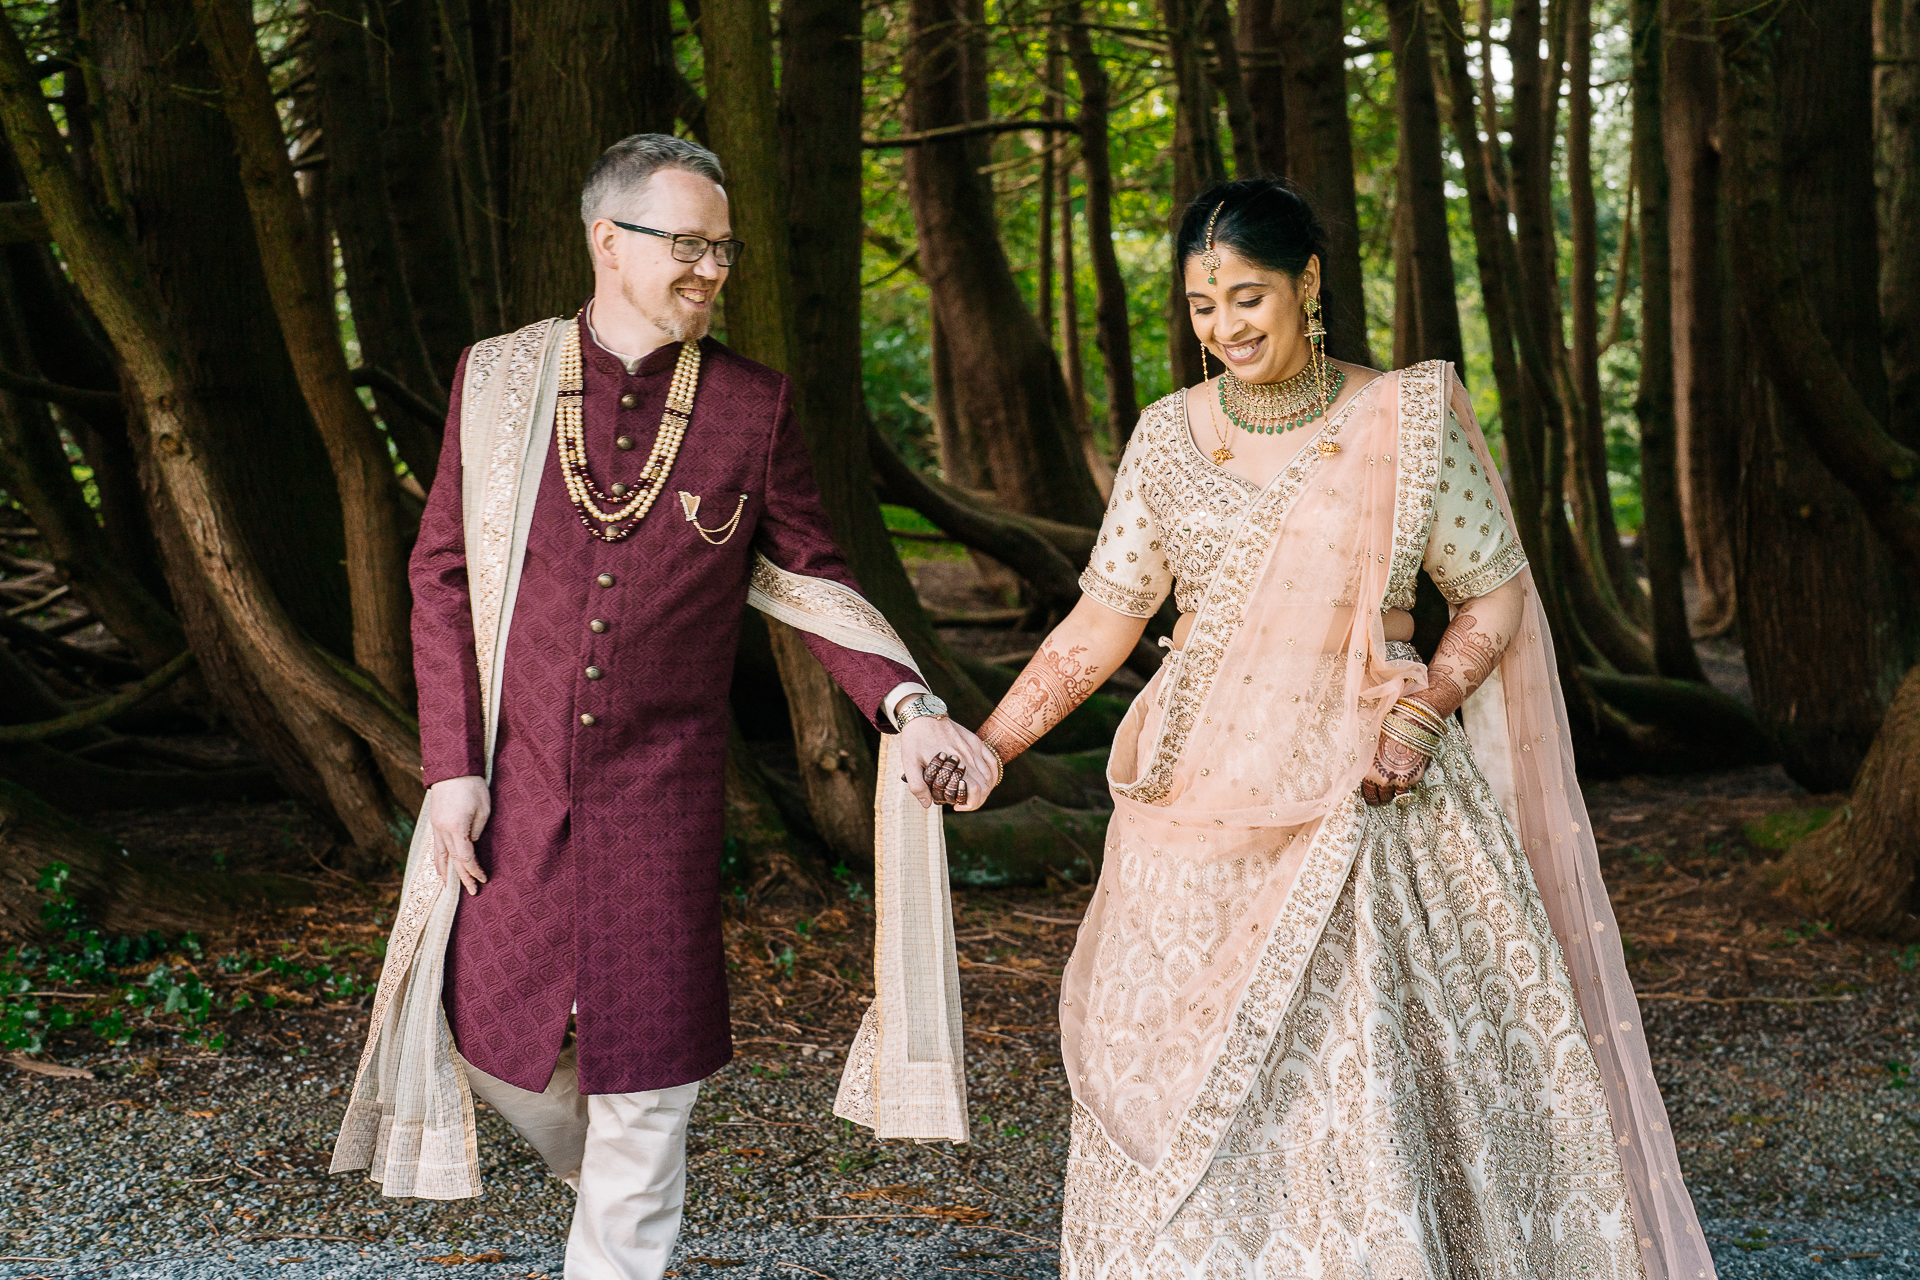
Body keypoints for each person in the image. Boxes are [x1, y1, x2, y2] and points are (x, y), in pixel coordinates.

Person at [974, 178, 1719, 1280]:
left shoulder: (1397, 421)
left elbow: (1497, 593)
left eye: (1248, 298)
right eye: (1201, 307)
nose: (1225, 328)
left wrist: (1419, 713)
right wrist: (992, 744)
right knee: (1176, 1083)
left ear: (1308, 283)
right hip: (1195, 810)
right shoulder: (1165, 439)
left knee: (1350, 1086)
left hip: (1365, 797)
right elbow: (1102, 620)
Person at [330, 134, 1001, 1280]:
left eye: (722, 248)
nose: (710, 267)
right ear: (609, 241)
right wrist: (452, 764)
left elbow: (818, 574)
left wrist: (910, 701)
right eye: (686, 242)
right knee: (495, 1048)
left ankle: (630, 1218)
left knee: (649, 1083)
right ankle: (627, 1198)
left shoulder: (752, 405)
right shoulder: (497, 379)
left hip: (664, 796)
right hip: (514, 779)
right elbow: (439, 571)